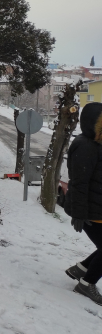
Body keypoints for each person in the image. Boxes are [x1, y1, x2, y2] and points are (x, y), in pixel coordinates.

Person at [63, 102, 102, 305]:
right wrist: (79, 214)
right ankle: (86, 284)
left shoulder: (97, 144)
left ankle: (82, 269)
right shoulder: (85, 146)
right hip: (90, 211)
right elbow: (79, 183)